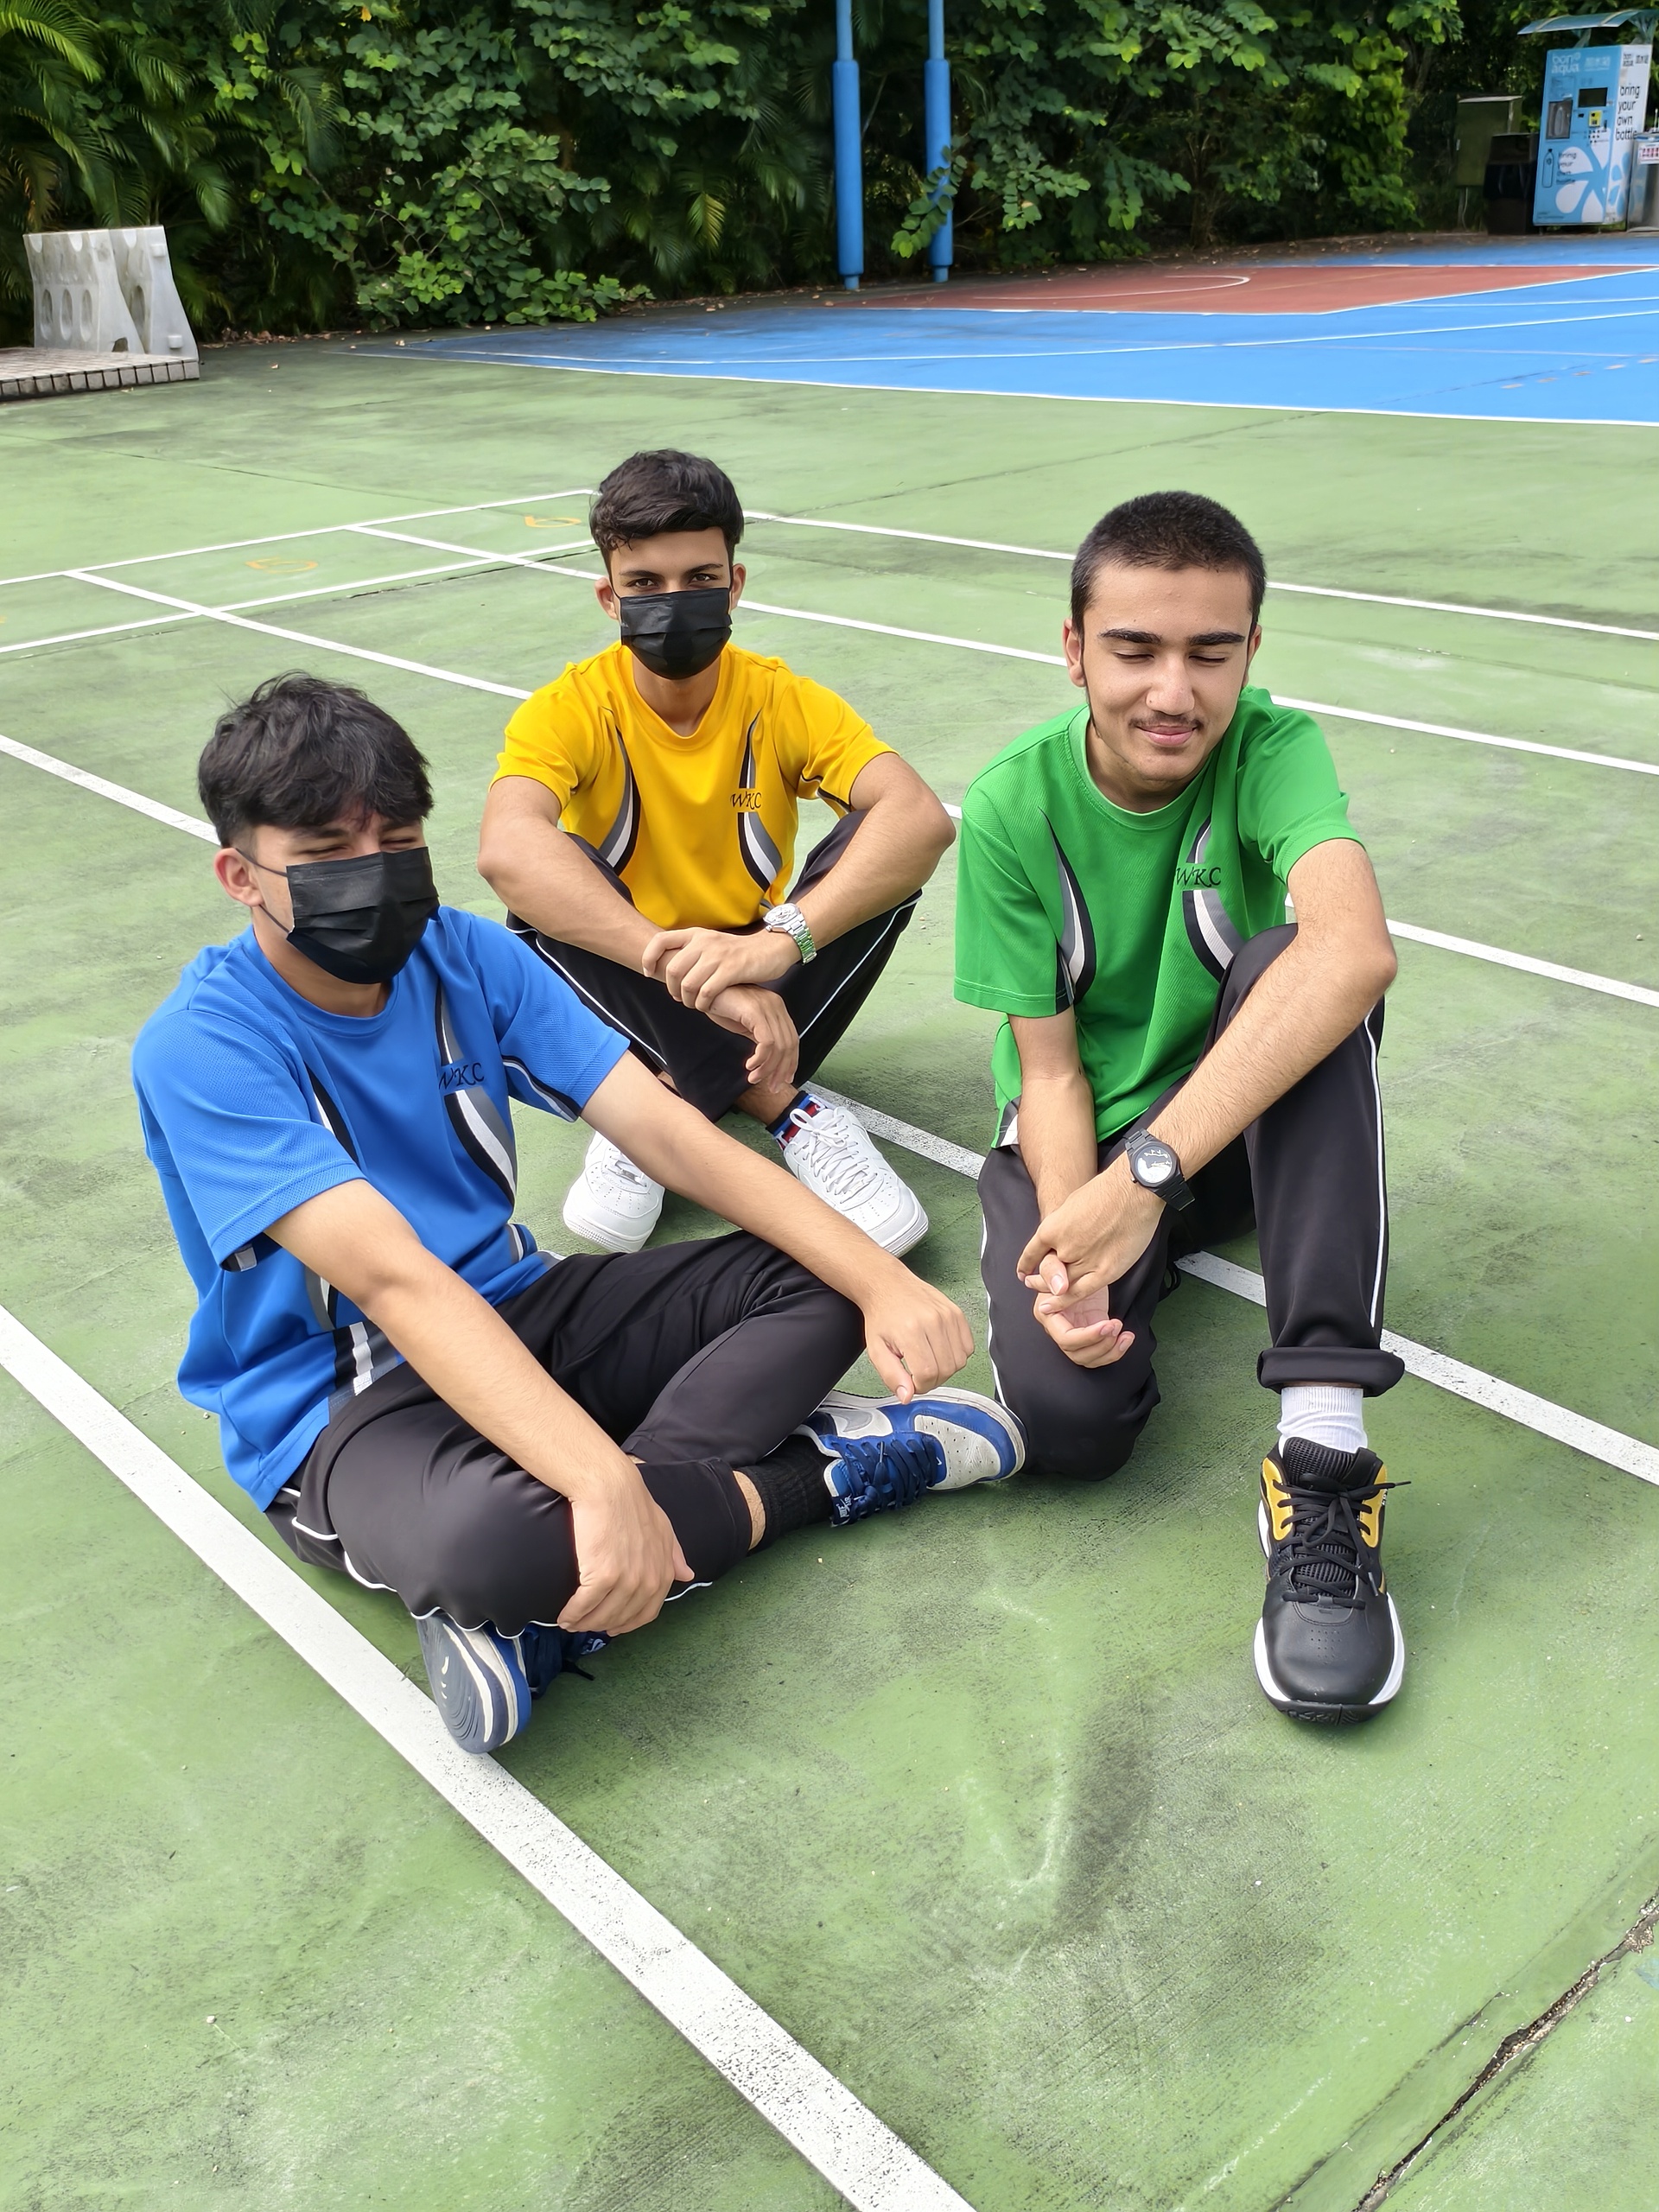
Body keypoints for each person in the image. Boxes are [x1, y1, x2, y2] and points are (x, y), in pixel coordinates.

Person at [131, 677, 1024, 1756]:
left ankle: (576, 1583)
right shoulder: (204, 1044)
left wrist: (879, 1277)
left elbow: (669, 1134)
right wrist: (599, 1480)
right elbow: (395, 1281)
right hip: (341, 1398)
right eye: (326, 853)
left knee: (822, 1274)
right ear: (240, 875)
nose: (373, 873)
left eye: (397, 841)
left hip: (522, 1305)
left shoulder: (463, 954)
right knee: (491, 1547)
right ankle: (812, 1476)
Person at [955, 492, 1407, 1726]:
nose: (1174, 691)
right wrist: (1079, 1241)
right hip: (1088, 1143)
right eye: (1135, 650)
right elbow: (1051, 1073)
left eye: (1211, 652)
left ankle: (1322, 1450)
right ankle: (1110, 1264)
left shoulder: (1273, 747)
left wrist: (1147, 1179)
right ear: (1073, 650)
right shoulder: (1011, 805)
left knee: (1304, 968)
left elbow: (1357, 950)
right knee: (1070, 1426)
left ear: (1251, 650)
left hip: (1216, 1136)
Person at [478, 448, 956, 1259]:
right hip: (631, 973)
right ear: (609, 597)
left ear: (734, 585)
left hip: (766, 965)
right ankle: (786, 1107)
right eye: (645, 583)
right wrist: (698, 979)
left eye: (699, 578)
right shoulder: (569, 708)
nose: (674, 602)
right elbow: (506, 849)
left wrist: (773, 949)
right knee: (542, 888)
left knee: (880, 855)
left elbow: (919, 818)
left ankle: (654, 1109)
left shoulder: (779, 697)